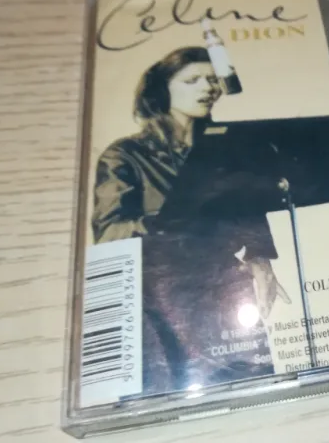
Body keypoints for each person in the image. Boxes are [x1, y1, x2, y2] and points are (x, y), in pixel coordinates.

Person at [91, 46, 289, 393]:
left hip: (223, 288)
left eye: (212, 80)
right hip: (159, 300)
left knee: (255, 387)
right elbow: (109, 233)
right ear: (161, 90)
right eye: (192, 80)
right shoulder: (124, 155)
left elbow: (243, 210)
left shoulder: (222, 149)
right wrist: (173, 216)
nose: (207, 87)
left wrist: (261, 258)